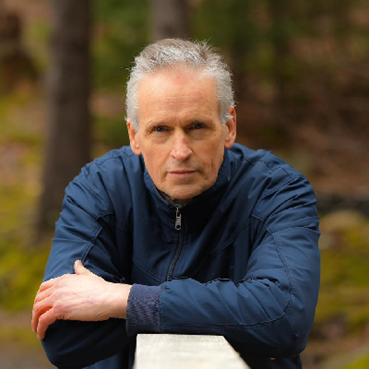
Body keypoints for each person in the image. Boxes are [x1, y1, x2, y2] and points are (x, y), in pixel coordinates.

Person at [32, 39, 320, 369]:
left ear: (228, 127)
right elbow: (61, 336)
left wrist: (122, 300)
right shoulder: (99, 189)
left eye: (196, 127)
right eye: (161, 129)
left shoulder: (278, 190)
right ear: (134, 135)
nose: (180, 150)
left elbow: (285, 319)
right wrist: (241, 316)